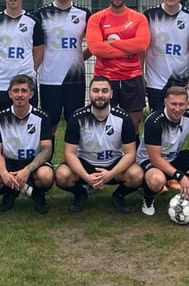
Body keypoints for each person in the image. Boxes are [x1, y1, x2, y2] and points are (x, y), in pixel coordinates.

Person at [55, 76, 143, 214]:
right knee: (62, 175)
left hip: (113, 164)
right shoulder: (77, 118)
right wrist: (86, 177)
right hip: (86, 164)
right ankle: (80, 193)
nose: (100, 95)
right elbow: (69, 153)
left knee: (137, 175)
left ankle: (118, 196)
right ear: (89, 93)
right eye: (96, 91)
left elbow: (131, 154)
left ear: (111, 94)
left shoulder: (123, 118)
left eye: (104, 91)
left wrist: (110, 174)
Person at [137, 86, 189, 216]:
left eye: (181, 104)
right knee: (157, 180)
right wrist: (181, 176)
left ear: (187, 104)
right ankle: (148, 199)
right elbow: (155, 159)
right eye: (173, 104)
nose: (177, 109)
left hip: (174, 157)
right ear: (165, 103)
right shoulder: (154, 121)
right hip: (151, 161)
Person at [0, 74, 54, 214]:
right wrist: (3, 173)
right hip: (10, 163)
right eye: (16, 91)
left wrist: (28, 170)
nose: (20, 95)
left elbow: (47, 150)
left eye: (24, 91)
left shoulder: (42, 117)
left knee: (46, 176)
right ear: (10, 94)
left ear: (31, 94)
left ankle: (38, 194)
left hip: (33, 163)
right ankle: (11, 192)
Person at [86, 0, 151, 132]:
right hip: (105, 78)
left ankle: (131, 155)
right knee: (103, 123)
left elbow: (142, 45)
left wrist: (110, 43)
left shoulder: (139, 18)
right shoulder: (96, 18)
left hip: (132, 77)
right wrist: (129, 48)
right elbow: (95, 48)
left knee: (133, 125)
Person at [0, 0, 44, 123]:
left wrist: (29, 70)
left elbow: (39, 51)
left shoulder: (33, 21)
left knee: (27, 126)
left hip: (26, 85)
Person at [36, 0, 91, 128]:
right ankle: (48, 153)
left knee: (75, 124)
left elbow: (95, 44)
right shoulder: (41, 14)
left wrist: (81, 57)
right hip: (50, 78)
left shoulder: (84, 14)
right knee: (49, 125)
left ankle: (73, 153)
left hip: (75, 79)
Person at [143, 0, 189, 112]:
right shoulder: (150, 15)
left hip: (180, 80)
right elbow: (141, 49)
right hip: (155, 80)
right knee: (157, 120)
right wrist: (140, 75)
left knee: (177, 121)